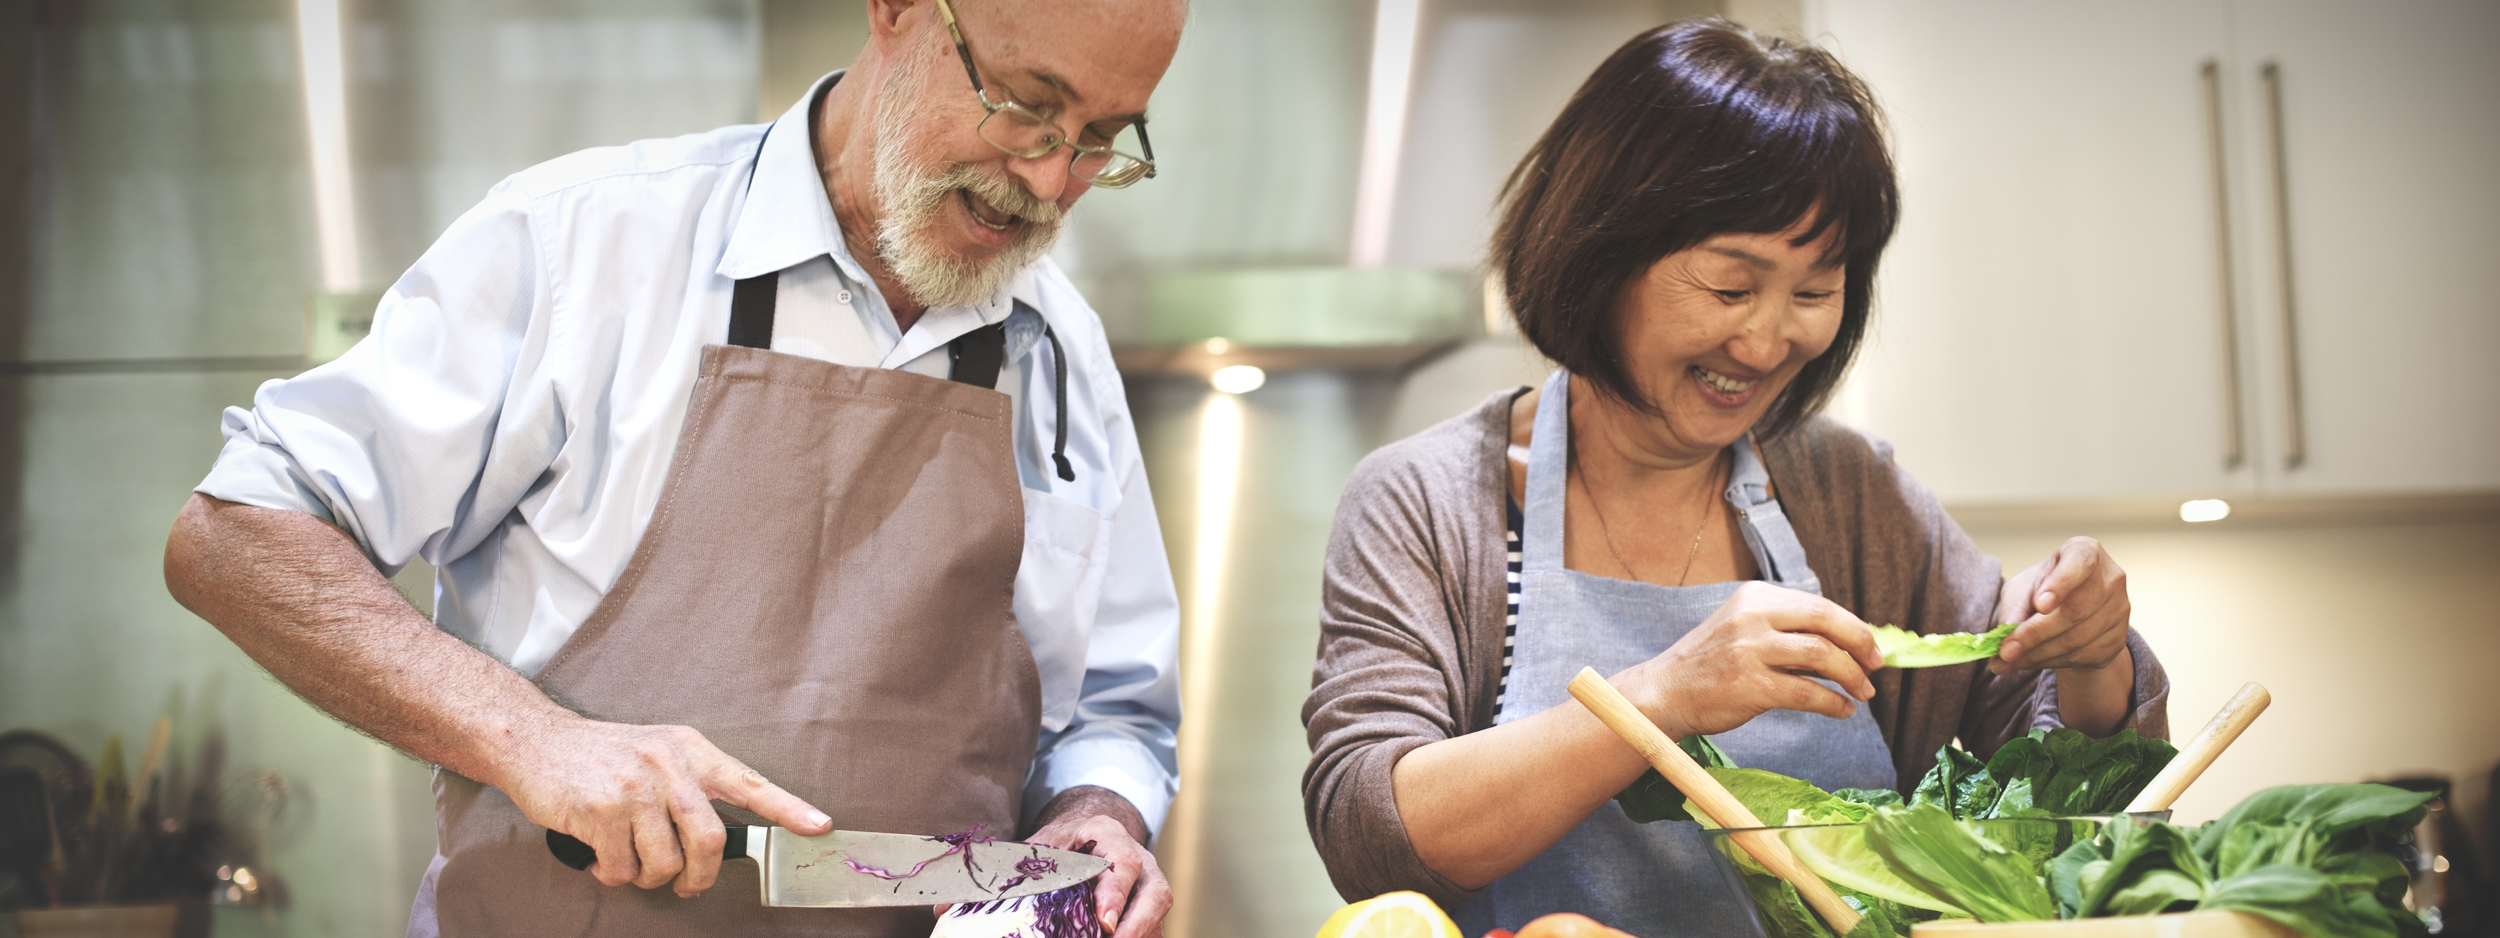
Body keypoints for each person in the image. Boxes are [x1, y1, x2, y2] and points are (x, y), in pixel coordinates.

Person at [163, 0, 1185, 934]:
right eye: (1025, 108)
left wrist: (1096, 809)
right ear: (898, 11)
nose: (1054, 179)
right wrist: (531, 737)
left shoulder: (1062, 349)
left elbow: (1113, 704)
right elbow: (236, 529)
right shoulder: (585, 244)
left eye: (1102, 138)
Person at [1301, 19, 2171, 937]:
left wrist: (2092, 657)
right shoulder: (1432, 502)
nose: (1764, 343)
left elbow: (2065, 811)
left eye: (1811, 293)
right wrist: (1663, 696)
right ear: (1601, 257)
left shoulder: (1847, 492)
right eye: (1728, 287)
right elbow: (1372, 832)